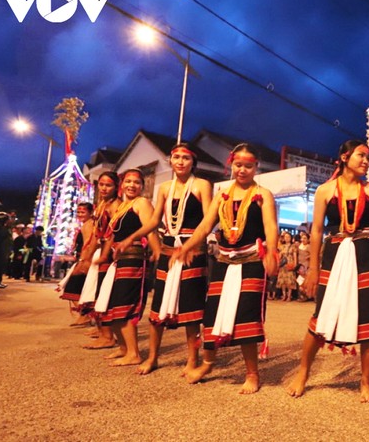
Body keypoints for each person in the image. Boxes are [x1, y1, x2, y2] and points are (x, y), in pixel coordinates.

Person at [287, 140, 369, 403]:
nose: (366, 161)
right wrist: (312, 268)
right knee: (321, 314)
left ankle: (366, 382)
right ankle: (303, 372)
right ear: (345, 157)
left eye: (368, 157)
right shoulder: (324, 190)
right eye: (361, 155)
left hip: (366, 254)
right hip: (334, 253)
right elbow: (317, 231)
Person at [171, 143, 278, 393]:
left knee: (246, 317)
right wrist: (186, 248)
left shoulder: (263, 194)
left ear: (255, 167)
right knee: (212, 314)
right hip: (224, 261)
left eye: (248, 166)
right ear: (231, 164)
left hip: (252, 261)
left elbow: (270, 226)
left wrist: (272, 251)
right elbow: (205, 226)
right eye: (238, 165)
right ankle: (208, 363)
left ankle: (252, 373)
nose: (242, 170)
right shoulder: (222, 195)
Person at [115, 144, 212, 376]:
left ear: (193, 161)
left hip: (192, 251)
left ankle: (192, 359)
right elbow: (155, 220)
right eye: (176, 157)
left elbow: (208, 220)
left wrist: (189, 247)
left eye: (185, 158)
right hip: (169, 250)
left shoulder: (201, 185)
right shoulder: (165, 188)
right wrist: (132, 237)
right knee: (157, 306)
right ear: (170, 160)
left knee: (191, 309)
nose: (180, 161)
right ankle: (153, 357)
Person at [96, 169, 160, 367]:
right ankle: (124, 348)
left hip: (134, 259)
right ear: (122, 185)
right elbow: (113, 235)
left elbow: (150, 229)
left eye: (137, 182)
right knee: (113, 305)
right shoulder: (123, 206)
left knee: (125, 306)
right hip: (120, 260)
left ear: (142, 186)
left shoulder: (141, 203)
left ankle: (134, 353)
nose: (132, 185)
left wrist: (156, 251)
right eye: (129, 181)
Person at [79, 172, 122, 349]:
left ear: (116, 187)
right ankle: (102, 331)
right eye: (102, 184)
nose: (104, 188)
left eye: (109, 185)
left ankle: (108, 335)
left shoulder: (116, 205)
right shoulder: (102, 204)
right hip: (100, 249)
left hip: (108, 252)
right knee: (97, 292)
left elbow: (112, 233)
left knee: (105, 293)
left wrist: (104, 255)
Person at [59, 202, 96, 325]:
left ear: (90, 212)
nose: (80, 214)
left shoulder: (88, 225)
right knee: (79, 289)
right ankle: (85, 315)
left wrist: (84, 261)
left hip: (85, 260)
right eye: (78, 212)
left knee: (72, 288)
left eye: (83, 212)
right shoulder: (87, 224)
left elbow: (89, 244)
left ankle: (85, 315)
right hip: (83, 258)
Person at [277, 231, 298, 301]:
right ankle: (284, 295)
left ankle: (289, 295)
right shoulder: (281, 246)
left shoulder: (293, 246)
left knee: (290, 280)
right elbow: (279, 257)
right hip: (283, 264)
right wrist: (281, 253)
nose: (287, 238)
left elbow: (295, 256)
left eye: (288, 237)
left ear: (291, 238)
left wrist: (295, 264)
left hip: (290, 263)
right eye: (285, 237)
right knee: (283, 281)